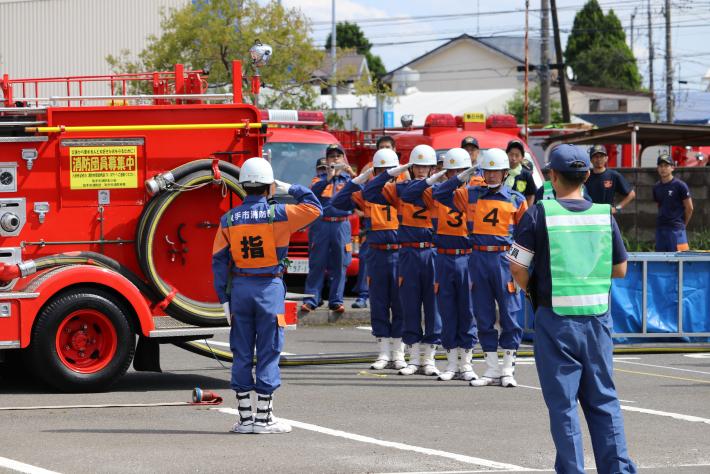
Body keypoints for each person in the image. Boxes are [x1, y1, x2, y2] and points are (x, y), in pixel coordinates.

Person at [508, 144, 636, 473]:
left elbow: (517, 267)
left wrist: (532, 290)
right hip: (597, 319)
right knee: (604, 401)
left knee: (563, 405)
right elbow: (620, 269)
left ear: (552, 176)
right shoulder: (602, 215)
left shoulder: (539, 214)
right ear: (587, 175)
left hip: (556, 320)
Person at [212, 157, 322, 434]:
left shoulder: (229, 219)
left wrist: (223, 299)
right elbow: (315, 208)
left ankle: (245, 418)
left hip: (239, 290)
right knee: (269, 351)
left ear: (243, 187)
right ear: (269, 187)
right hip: (269, 289)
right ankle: (264, 418)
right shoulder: (281, 213)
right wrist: (292, 187)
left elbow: (217, 260)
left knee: (241, 352)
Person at [435, 148, 528, 387]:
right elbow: (439, 194)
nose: (492, 175)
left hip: (503, 260)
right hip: (477, 259)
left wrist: (520, 267)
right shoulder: (470, 194)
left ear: (506, 173)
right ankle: (491, 368)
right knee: (483, 314)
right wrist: (462, 175)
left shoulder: (517, 199)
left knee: (510, 313)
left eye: (497, 171)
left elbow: (525, 238)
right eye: (488, 170)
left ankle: (508, 369)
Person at [401, 148, 478, 382]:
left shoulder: (477, 191)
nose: (456, 174)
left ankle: (465, 363)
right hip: (443, 253)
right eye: (451, 170)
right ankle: (434, 360)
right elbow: (408, 194)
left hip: (467, 255)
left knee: (467, 311)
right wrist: (440, 178)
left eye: (460, 170)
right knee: (442, 308)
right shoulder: (437, 192)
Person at [364, 144, 441, 376]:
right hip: (407, 251)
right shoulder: (401, 188)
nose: (420, 170)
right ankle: (414, 356)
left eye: (425, 166)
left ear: (432, 168)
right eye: (416, 166)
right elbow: (369, 193)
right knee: (409, 304)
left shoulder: (440, 190)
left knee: (432, 306)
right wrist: (392, 172)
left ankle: (429, 358)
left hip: (431, 251)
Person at [332, 149, 406, 370]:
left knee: (400, 302)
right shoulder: (367, 191)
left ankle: (399, 351)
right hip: (376, 252)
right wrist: (358, 179)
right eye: (381, 170)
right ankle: (384, 351)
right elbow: (338, 201)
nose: (385, 174)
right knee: (379, 302)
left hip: (400, 252)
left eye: (389, 169)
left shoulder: (405, 190)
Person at [302, 144, 354, 314]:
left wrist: (352, 173)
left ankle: (336, 300)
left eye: (338, 156)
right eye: (331, 156)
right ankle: (311, 299)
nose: (335, 159)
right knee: (317, 262)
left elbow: (362, 191)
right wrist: (329, 178)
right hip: (321, 224)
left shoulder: (348, 180)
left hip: (341, 224)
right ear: (327, 160)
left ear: (343, 159)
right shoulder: (319, 179)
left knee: (341, 263)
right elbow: (312, 193)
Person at [653, 154, 694, 252]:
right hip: (661, 229)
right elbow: (659, 205)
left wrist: (682, 225)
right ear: (657, 168)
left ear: (672, 168)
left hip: (676, 230)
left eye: (666, 166)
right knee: (660, 261)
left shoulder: (680, 186)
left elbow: (689, 208)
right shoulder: (656, 187)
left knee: (679, 261)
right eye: (661, 166)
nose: (663, 169)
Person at [585, 145, 636, 213]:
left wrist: (617, 208)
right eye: (596, 157)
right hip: (590, 214)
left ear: (606, 158)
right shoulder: (586, 176)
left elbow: (631, 194)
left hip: (607, 215)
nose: (599, 159)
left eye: (601, 156)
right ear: (591, 160)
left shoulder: (613, 175)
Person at [505, 139, 537, 207]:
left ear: (522, 158)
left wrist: (527, 212)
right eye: (511, 154)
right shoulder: (501, 171)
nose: (513, 158)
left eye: (517, 155)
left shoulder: (526, 174)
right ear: (506, 154)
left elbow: (530, 195)